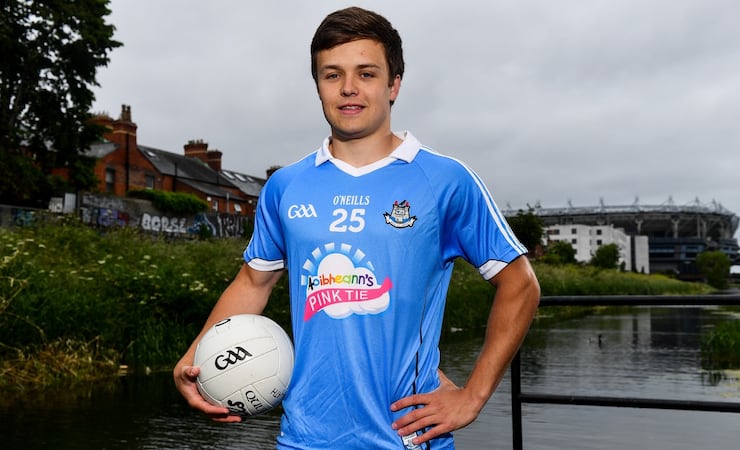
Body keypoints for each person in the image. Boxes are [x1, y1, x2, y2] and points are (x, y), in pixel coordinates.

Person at [173, 6, 540, 449]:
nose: (349, 88)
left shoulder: (444, 180)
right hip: (302, 438)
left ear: (394, 85)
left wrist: (474, 396)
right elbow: (254, 280)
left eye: (366, 73)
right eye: (332, 75)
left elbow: (520, 284)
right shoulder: (286, 186)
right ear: (318, 86)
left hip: (406, 438)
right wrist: (197, 356)